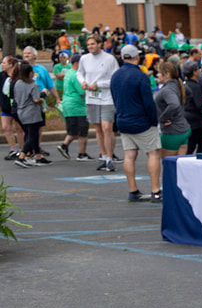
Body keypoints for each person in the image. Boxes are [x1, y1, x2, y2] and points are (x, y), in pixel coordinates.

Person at [110, 45, 162, 202]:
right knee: (153, 153)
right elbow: (148, 103)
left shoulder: (115, 76)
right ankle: (156, 191)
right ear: (137, 57)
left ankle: (133, 190)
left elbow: (114, 98)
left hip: (123, 119)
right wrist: (154, 120)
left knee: (129, 155)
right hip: (141, 121)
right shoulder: (141, 76)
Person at [77, 34, 120, 171]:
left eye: (93, 44)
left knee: (107, 127)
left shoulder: (109, 59)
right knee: (98, 128)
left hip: (107, 98)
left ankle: (110, 158)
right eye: (88, 44)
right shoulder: (84, 59)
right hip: (92, 98)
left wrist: (99, 84)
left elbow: (115, 78)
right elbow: (79, 73)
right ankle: (104, 157)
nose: (90, 46)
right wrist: (83, 82)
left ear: (100, 44)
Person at [13, 62, 49, 166]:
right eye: (32, 72)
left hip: (21, 111)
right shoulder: (33, 84)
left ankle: (38, 156)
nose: (33, 73)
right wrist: (42, 97)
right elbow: (36, 99)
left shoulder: (18, 83)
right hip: (32, 112)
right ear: (29, 73)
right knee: (32, 135)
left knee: (31, 134)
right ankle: (22, 156)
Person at [57, 53, 90, 161]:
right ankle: (82, 153)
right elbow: (82, 92)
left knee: (73, 130)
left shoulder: (68, 73)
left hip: (68, 104)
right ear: (77, 63)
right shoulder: (76, 75)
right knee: (83, 131)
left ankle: (65, 146)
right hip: (78, 106)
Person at [155, 60, 190, 157]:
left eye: (159, 72)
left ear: (167, 74)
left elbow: (174, 104)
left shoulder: (168, 89)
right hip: (183, 129)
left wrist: (163, 118)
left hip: (172, 132)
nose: (157, 75)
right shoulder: (178, 85)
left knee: (168, 164)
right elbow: (189, 93)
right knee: (179, 164)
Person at [181, 60, 202, 155]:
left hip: (185, 118)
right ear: (194, 72)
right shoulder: (195, 86)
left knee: (189, 145)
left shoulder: (184, 85)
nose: (199, 71)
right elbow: (199, 105)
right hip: (195, 120)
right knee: (200, 144)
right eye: (198, 69)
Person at [1, 56, 23, 159]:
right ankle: (13, 150)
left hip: (18, 106)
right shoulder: (2, 76)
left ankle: (23, 151)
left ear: (10, 65)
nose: (2, 65)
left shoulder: (19, 76)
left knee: (19, 128)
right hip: (6, 106)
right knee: (6, 127)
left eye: (4, 63)